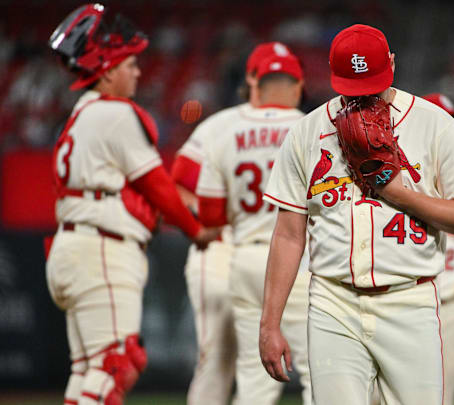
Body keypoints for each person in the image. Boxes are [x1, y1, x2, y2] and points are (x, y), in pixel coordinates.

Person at [258, 24, 454, 405]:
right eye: (353, 86)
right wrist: (270, 324)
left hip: (410, 300)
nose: (365, 96)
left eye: (373, 83)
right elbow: (288, 234)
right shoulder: (306, 132)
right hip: (333, 301)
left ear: (394, 65)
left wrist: (399, 193)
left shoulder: (434, 124)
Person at [45, 4, 218, 405]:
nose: (138, 73)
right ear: (106, 71)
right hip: (101, 249)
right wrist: (196, 231)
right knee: (115, 363)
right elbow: (157, 185)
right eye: (130, 65)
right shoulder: (114, 112)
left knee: (88, 370)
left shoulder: (80, 113)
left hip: (73, 248)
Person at [171, 41, 296, 405]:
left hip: (248, 250)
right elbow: (177, 186)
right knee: (223, 361)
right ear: (254, 81)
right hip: (230, 248)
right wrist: (215, 224)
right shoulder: (305, 125)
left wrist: (209, 221)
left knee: (249, 367)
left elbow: (178, 188)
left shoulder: (222, 127)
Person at [195, 52, 312, 405]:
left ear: (256, 87)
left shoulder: (225, 131)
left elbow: (211, 216)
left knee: (254, 376)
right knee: (318, 371)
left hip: (244, 255)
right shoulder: (314, 127)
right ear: (299, 88)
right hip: (300, 259)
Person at [421, 93, 454, 405]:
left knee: (444, 398)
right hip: (408, 301)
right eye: (447, 120)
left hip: (449, 304)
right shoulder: (405, 174)